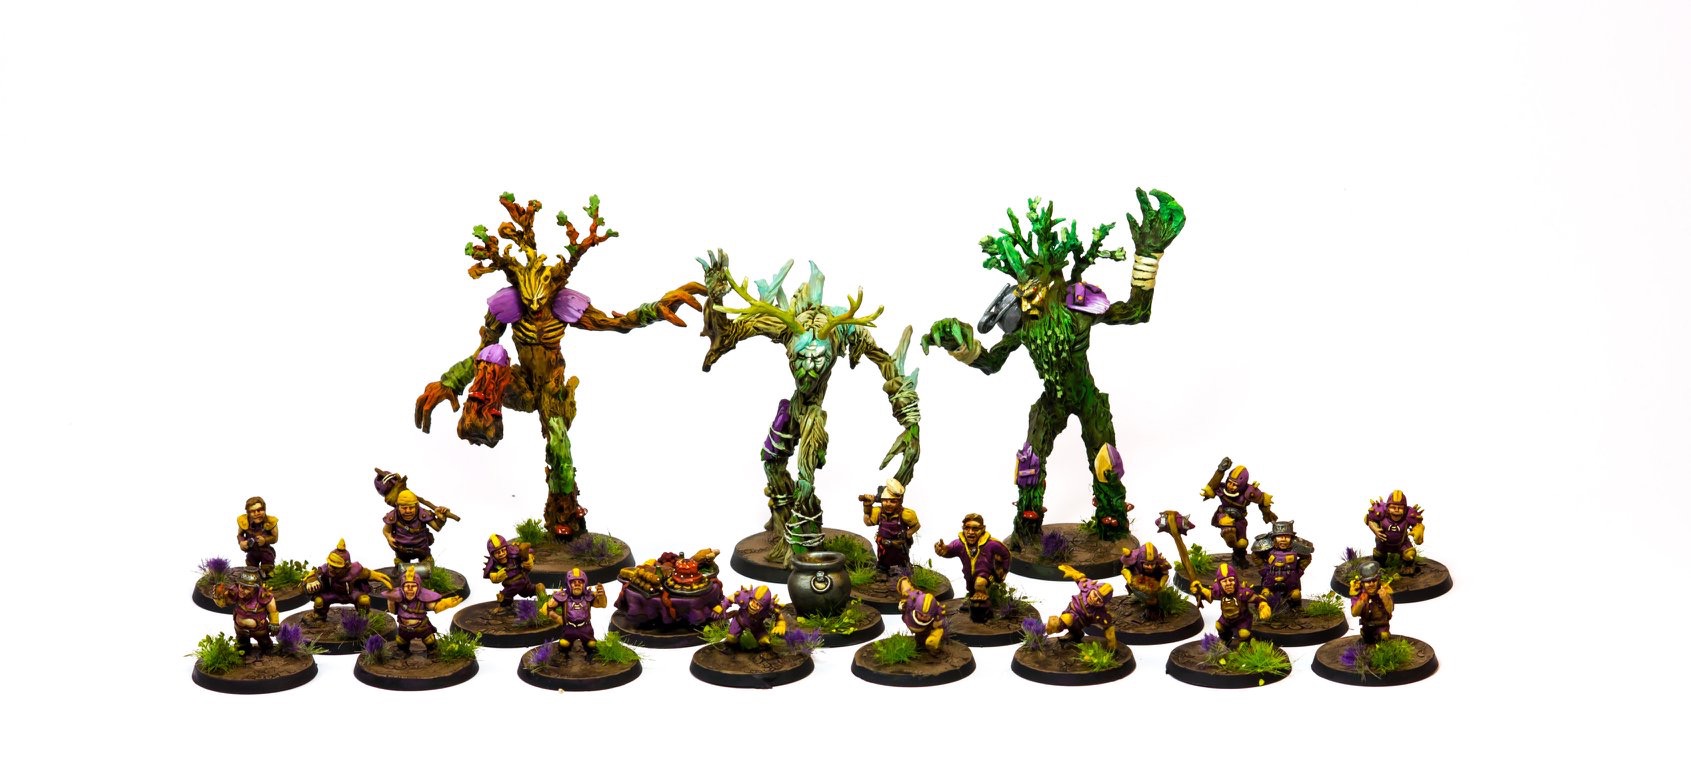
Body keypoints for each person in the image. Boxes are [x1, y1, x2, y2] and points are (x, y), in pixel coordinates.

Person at [935, 513, 1010, 622]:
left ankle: (986, 608)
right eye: (967, 528)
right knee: (972, 589)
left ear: (982, 529)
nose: (970, 532)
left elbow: (1006, 554)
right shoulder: (959, 544)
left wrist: (1002, 571)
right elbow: (949, 550)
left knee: (979, 584)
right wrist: (943, 550)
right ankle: (974, 605)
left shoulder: (991, 544)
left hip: (986, 575)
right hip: (969, 575)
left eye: (975, 529)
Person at [1199, 458, 1276, 564]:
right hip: (1224, 515)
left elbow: (1264, 499)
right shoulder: (1222, 489)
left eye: (1235, 484)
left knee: (1242, 542)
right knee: (1228, 531)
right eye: (1229, 482)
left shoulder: (1248, 492)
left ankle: (1239, 556)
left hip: (1240, 519)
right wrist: (1220, 471)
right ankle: (1232, 542)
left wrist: (1267, 513)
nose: (1231, 486)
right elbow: (1211, 488)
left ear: (1242, 485)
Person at [381, 566, 464, 657]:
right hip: (404, 628)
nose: (410, 589)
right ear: (402, 588)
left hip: (422, 627)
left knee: (430, 640)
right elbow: (392, 611)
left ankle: (432, 652)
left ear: (418, 587)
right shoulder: (399, 599)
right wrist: (391, 600)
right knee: (401, 642)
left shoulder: (423, 598)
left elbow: (435, 606)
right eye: (407, 586)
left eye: (413, 586)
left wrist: (446, 603)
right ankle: (403, 652)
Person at [305, 539, 392, 619]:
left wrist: (378, 576)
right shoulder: (325, 569)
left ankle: (364, 617)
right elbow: (314, 574)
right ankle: (319, 616)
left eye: (335, 567)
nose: (330, 568)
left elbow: (368, 574)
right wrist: (311, 580)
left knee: (364, 600)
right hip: (332, 593)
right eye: (329, 564)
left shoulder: (355, 570)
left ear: (346, 566)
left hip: (351, 594)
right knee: (319, 601)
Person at [1189, 563, 1271, 647]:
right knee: (1219, 626)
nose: (1228, 583)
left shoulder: (1243, 592)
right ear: (1220, 583)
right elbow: (1209, 594)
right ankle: (1226, 639)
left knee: (1244, 634)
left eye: (1231, 580)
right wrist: (1199, 589)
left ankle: (1247, 644)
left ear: (1235, 580)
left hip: (1242, 619)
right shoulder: (1219, 591)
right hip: (1226, 619)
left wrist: (1263, 606)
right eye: (1224, 581)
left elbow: (1257, 599)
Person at [1046, 565, 1117, 650]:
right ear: (1093, 589)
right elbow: (1079, 577)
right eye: (1095, 595)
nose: (1095, 599)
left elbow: (1108, 627)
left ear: (1102, 604)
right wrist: (1072, 572)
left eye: (1099, 600)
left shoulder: (1100, 612)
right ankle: (1046, 630)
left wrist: (1112, 642)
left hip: (1080, 621)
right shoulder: (1087, 586)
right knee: (1058, 622)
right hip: (1071, 609)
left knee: (1068, 621)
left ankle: (1075, 635)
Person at [541, 568, 607, 659]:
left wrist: (602, 595)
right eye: (574, 582)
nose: (577, 584)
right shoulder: (563, 596)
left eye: (580, 582)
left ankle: (591, 658)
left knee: (591, 644)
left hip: (585, 627)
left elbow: (602, 605)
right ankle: (563, 658)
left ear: (584, 584)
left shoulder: (588, 596)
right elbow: (546, 609)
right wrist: (557, 618)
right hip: (569, 628)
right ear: (568, 584)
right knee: (564, 644)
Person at [213, 567, 279, 657]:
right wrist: (219, 596)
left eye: (247, 588)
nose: (241, 589)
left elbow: (273, 611)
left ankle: (267, 650)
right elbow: (224, 603)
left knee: (265, 644)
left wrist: (274, 623)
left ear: (255, 588)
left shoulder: (264, 596)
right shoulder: (235, 592)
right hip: (240, 629)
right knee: (242, 645)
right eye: (241, 586)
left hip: (259, 629)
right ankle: (243, 651)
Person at [861, 479, 920, 573]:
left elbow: (916, 525)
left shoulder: (906, 514)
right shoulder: (878, 512)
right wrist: (867, 507)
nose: (888, 504)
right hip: (883, 547)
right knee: (883, 564)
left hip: (899, 548)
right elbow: (868, 522)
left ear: (899, 501)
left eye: (893, 501)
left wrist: (907, 534)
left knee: (901, 564)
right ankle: (882, 572)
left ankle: (903, 574)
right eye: (885, 501)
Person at [1251, 520, 1313, 611]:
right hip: (1270, 583)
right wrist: (1263, 570)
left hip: (1291, 583)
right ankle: (1266, 609)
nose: (1283, 539)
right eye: (1280, 536)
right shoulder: (1268, 549)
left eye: (1287, 536)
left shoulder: (1296, 549)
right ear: (1274, 538)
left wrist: (1299, 570)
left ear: (1291, 538)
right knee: (1266, 595)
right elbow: (1255, 555)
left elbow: (1307, 556)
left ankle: (1296, 608)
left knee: (1296, 595)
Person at [1365, 490, 1425, 576]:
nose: (1396, 510)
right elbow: (1370, 520)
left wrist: (1419, 532)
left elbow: (1418, 525)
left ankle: (1407, 566)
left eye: (1400, 508)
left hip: (1402, 544)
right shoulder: (1380, 512)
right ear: (1387, 508)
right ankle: (1380, 566)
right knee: (1378, 555)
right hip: (1383, 543)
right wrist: (1375, 529)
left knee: (1409, 554)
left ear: (1405, 509)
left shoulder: (1409, 515)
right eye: (1393, 507)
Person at [1349, 560, 1394, 644]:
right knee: (1367, 641)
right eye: (1367, 582)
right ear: (1362, 583)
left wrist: (1385, 598)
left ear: (1378, 580)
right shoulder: (1358, 593)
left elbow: (1390, 609)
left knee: (1384, 637)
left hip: (1381, 624)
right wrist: (1361, 601)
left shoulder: (1385, 590)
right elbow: (1354, 613)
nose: (1371, 584)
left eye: (1374, 580)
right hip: (1366, 625)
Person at [236, 497, 279, 578]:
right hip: (252, 551)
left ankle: (267, 580)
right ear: (248, 513)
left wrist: (265, 540)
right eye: (252, 511)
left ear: (264, 509)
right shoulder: (244, 521)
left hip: (265, 551)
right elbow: (240, 535)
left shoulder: (270, 522)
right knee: (251, 569)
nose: (256, 513)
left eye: (259, 510)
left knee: (267, 568)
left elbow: (275, 538)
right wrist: (241, 542)